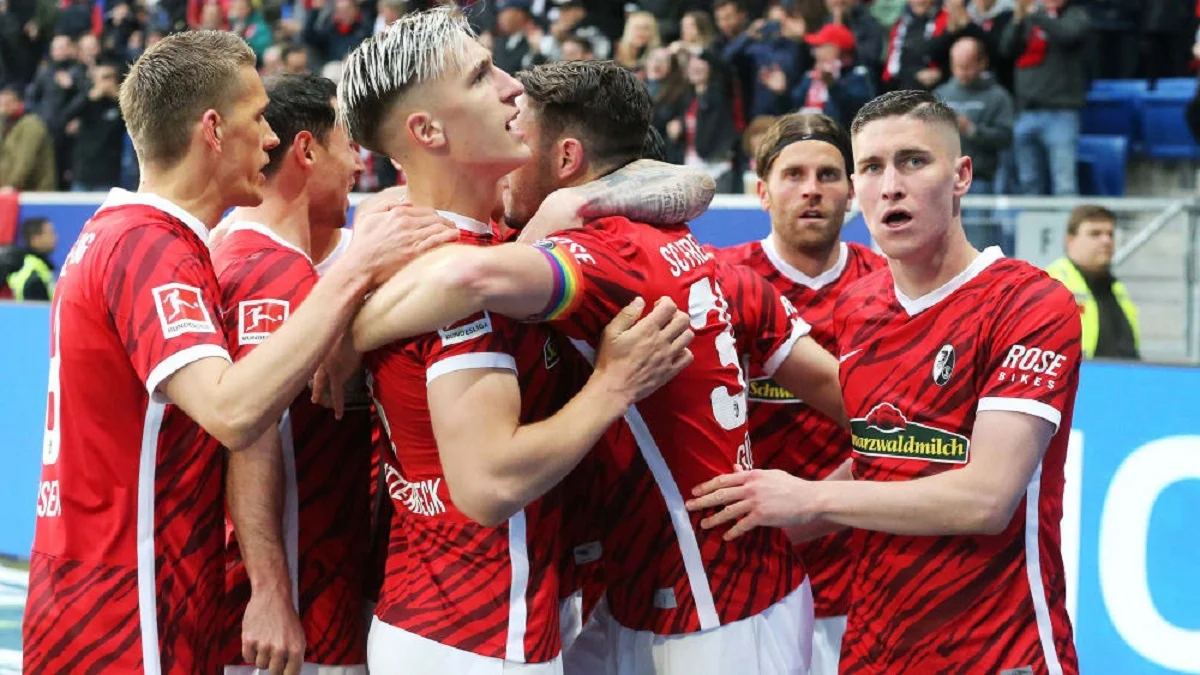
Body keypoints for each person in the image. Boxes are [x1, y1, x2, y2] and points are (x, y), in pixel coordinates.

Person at [350, 58, 847, 675]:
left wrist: (349, 334)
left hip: (713, 607)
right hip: (640, 595)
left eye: (521, 138)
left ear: (565, 159)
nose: (510, 154)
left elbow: (465, 276)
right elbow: (689, 183)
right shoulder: (687, 249)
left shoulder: (602, 253)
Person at [20, 30, 454, 675]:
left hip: (123, 586)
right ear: (214, 130)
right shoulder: (148, 245)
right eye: (258, 119)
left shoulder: (136, 237)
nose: (271, 138)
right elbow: (233, 412)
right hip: (127, 605)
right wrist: (354, 273)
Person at [336, 10, 697, 673]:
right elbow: (487, 483)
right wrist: (614, 384)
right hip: (472, 636)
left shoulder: (478, 242)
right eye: (481, 76)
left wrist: (568, 207)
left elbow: (688, 185)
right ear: (428, 131)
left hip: (472, 621)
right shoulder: (447, 272)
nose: (513, 88)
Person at [687, 89, 1082, 675]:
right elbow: (880, 460)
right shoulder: (860, 305)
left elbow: (986, 499)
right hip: (873, 649)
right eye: (872, 167)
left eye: (913, 161)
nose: (891, 186)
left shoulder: (1030, 303)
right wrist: (757, 523)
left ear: (961, 175)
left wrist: (807, 496)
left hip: (996, 650)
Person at [210, 73, 377, 675]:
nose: (358, 164)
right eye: (349, 144)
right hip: (299, 612)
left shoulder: (235, 246)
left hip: (287, 595)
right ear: (306, 149)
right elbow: (253, 435)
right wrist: (272, 592)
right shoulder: (272, 272)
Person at [714, 111, 886, 675]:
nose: (812, 189)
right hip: (742, 578)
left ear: (852, 193)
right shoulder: (718, 283)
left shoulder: (889, 289)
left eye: (828, 175)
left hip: (859, 580)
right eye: (793, 175)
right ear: (762, 192)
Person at [1046, 204, 1139, 360]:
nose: (1106, 240)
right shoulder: (1050, 285)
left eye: (1110, 234)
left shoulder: (1117, 288)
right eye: (1095, 234)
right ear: (1070, 240)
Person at [5, 216, 57, 301]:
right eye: (50, 233)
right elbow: (35, 307)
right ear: (35, 239)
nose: (55, 237)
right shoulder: (32, 272)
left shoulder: (41, 265)